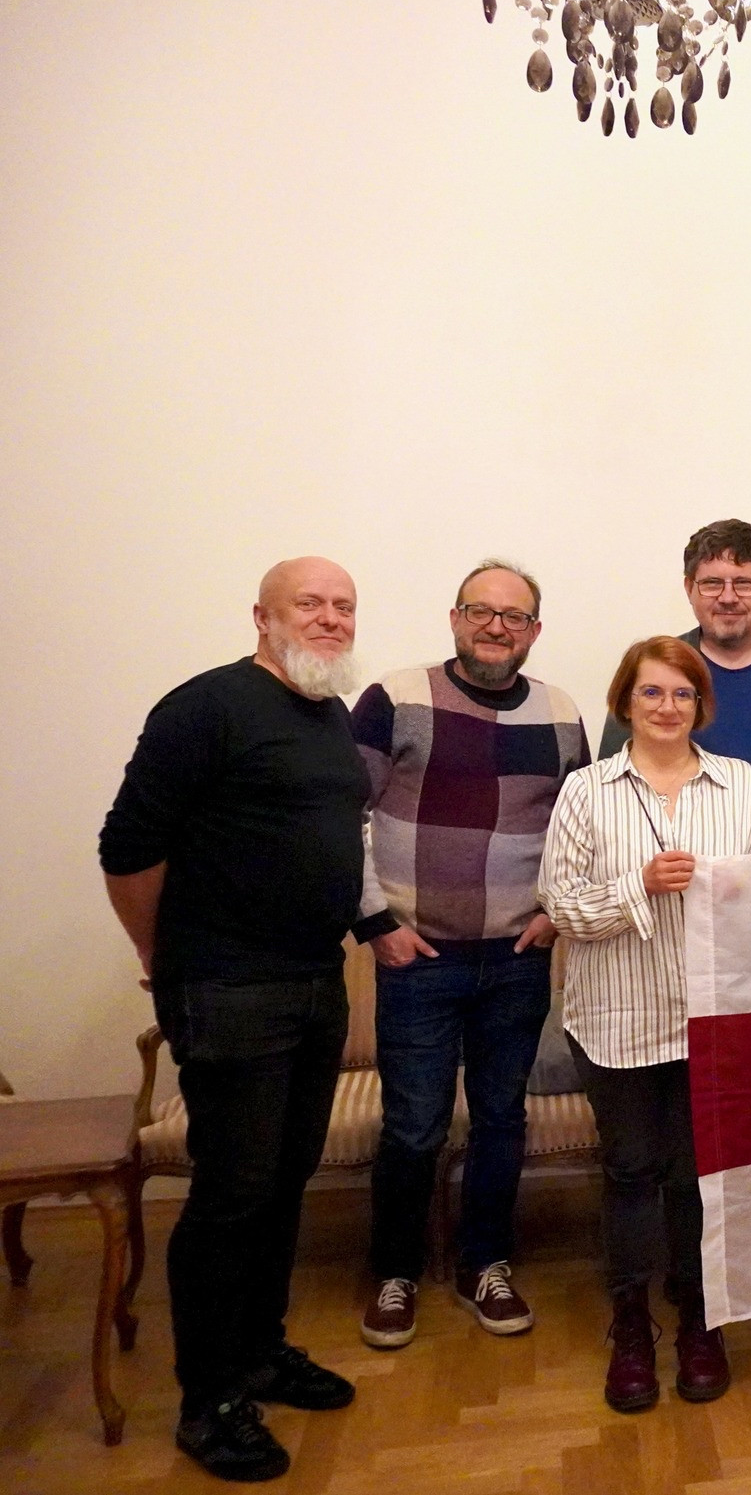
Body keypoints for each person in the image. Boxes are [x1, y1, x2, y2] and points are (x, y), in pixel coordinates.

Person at [99, 558, 370, 1483]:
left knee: (284, 1181)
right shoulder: (205, 707)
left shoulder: (329, 712)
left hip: (315, 982)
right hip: (229, 991)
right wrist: (163, 958)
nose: (330, 618)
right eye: (310, 603)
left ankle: (260, 1352)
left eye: (343, 606)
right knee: (232, 1194)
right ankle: (209, 1399)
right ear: (263, 615)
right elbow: (127, 849)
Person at [351, 560, 590, 1351]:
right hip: (417, 956)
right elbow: (339, 813)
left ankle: (484, 1262)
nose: (496, 626)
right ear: (455, 618)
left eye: (513, 616)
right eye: (480, 611)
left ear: (534, 630)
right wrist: (374, 921)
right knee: (414, 1126)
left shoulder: (560, 712)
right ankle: (395, 1270)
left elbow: (579, 828)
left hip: (516, 957)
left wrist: (555, 912)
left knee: (500, 1120)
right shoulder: (395, 699)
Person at [539, 637, 751, 1411]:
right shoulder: (587, 790)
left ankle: (700, 1319)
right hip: (618, 1019)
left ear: (701, 704)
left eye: (682, 693)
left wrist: (743, 894)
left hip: (712, 1018)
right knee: (632, 1170)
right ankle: (632, 1324)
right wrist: (638, 885)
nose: (667, 706)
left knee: (696, 1174)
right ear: (625, 702)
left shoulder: (741, 784)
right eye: (651, 692)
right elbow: (561, 906)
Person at [597, 519, 751, 768]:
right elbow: (610, 774)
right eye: (712, 583)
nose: (728, 598)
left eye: (743, 584)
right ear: (689, 588)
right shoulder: (652, 670)